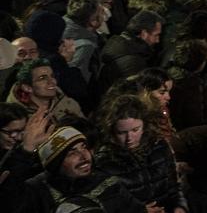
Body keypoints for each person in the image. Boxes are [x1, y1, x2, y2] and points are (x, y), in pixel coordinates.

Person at [92, 95, 187, 213]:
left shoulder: (159, 146)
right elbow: (107, 205)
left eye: (135, 130)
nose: (129, 138)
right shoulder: (104, 161)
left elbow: (174, 186)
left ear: (144, 126)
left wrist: (180, 206)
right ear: (112, 131)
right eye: (121, 133)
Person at [13, 125, 141, 212]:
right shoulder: (36, 191)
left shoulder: (108, 183)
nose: (84, 156)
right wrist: (24, 151)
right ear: (55, 163)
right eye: (72, 152)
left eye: (83, 147)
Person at [98, 10, 164, 89]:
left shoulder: (117, 45)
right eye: (156, 35)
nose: (157, 40)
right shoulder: (133, 62)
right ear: (144, 33)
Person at [6, 59, 83, 122]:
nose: (52, 81)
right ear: (27, 87)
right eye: (42, 78)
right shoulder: (14, 116)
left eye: (52, 76)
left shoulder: (68, 104)